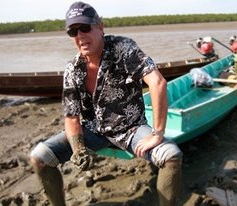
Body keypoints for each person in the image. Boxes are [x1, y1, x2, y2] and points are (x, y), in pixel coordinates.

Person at [29, 2, 183, 206]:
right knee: (39, 157)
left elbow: (157, 82)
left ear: (100, 27)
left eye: (85, 28)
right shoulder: (72, 68)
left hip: (130, 128)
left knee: (171, 156)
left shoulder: (123, 48)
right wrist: (78, 149)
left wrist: (158, 133)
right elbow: (71, 116)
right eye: (73, 31)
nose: (80, 36)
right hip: (93, 130)